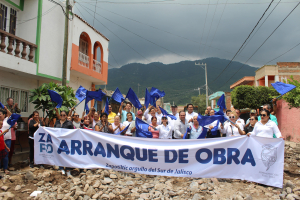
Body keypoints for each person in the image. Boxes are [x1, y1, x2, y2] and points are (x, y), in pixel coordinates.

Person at [53, 110, 74, 176]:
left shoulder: (69, 123)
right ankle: (61, 168)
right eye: (61, 115)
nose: (62, 116)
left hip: (66, 142)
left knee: (67, 155)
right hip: (58, 141)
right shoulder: (57, 122)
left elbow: (73, 132)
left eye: (64, 115)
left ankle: (68, 170)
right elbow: (53, 130)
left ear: (66, 116)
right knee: (59, 155)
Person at [0, 107, 12, 174]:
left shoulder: (7, 120)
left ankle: (5, 168)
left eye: (0, 114)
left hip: (7, 140)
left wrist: (6, 109)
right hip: (0, 140)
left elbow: (11, 115)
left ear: (4, 115)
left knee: (6, 154)